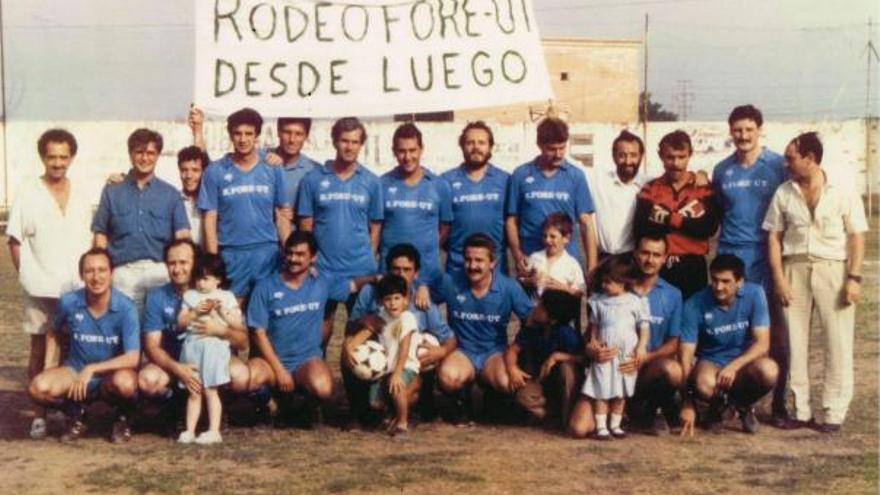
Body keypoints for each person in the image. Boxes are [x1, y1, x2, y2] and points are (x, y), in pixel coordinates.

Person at [763, 132, 867, 433]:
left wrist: (854, 278)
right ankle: (801, 409)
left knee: (837, 342)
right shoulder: (784, 192)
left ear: (810, 159)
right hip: (794, 267)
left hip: (833, 268)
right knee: (795, 342)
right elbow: (773, 237)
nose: (786, 163)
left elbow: (857, 236)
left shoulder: (842, 190)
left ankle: (834, 411)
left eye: (791, 158)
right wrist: (779, 278)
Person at [8, 129, 93, 439]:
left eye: (63, 156)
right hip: (39, 287)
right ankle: (39, 415)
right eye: (52, 156)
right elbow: (14, 241)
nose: (58, 163)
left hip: (74, 287)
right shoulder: (28, 191)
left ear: (71, 157)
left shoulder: (81, 192)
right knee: (39, 348)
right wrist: (29, 278)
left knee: (72, 351)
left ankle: (71, 413)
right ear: (43, 157)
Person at [712, 104, 790, 426]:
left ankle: (779, 402)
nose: (743, 136)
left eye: (749, 130)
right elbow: (718, 212)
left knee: (775, 333)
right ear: (730, 132)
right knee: (731, 332)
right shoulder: (722, 170)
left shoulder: (776, 165)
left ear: (759, 130)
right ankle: (731, 401)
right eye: (737, 130)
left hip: (765, 257)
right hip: (731, 257)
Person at [246, 231, 372, 426]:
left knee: (323, 388)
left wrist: (376, 279)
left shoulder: (322, 281)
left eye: (300, 254)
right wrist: (279, 370)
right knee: (250, 379)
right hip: (273, 362)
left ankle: (300, 410)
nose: (293, 259)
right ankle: (270, 406)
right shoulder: (266, 286)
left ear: (313, 257)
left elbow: (352, 285)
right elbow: (258, 332)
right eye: (289, 253)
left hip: (305, 360)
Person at [27, 248, 140, 443]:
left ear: (111, 273)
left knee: (127, 384)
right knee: (38, 388)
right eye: (90, 271)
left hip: (110, 375)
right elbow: (53, 331)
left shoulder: (126, 307)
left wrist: (93, 368)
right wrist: (49, 366)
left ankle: (120, 418)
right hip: (75, 371)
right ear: (81, 275)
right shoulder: (69, 301)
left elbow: (132, 357)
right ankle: (76, 414)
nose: (96, 277)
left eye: (102, 270)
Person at [137, 239, 249, 434]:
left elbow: (243, 342)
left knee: (240, 375)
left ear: (195, 263)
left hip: (212, 354)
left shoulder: (217, 294)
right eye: (172, 263)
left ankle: (216, 412)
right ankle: (177, 407)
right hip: (176, 358)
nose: (177, 269)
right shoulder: (157, 296)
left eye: (183, 262)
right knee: (148, 379)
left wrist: (222, 331)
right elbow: (151, 346)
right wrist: (177, 368)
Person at [343, 243, 456, 426]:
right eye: (396, 269)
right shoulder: (370, 292)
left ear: (416, 273)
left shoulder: (422, 301)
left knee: (399, 391)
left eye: (407, 270)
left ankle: (418, 402)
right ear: (388, 271)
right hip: (381, 361)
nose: (401, 274)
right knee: (347, 347)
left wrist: (441, 352)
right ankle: (357, 408)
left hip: (410, 366)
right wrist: (364, 321)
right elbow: (350, 328)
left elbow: (450, 339)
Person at [297, 117, 383, 348]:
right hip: (324, 269)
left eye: (355, 142)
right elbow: (306, 225)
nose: (349, 147)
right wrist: (311, 262)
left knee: (359, 335)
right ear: (335, 142)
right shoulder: (313, 180)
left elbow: (375, 226)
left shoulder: (372, 182)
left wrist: (369, 254)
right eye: (344, 141)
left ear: (361, 144)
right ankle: (316, 378)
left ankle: (355, 384)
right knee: (321, 330)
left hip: (361, 270)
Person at [434, 233, 534, 424]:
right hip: (462, 352)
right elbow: (427, 304)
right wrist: (422, 289)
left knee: (507, 382)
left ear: (492, 263)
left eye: (479, 260)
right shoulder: (451, 283)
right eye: (468, 260)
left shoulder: (508, 287)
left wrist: (515, 352)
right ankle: (463, 401)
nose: (472, 266)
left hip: (493, 353)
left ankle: (492, 397)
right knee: (447, 378)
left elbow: (532, 322)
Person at [678, 255, 779, 436]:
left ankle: (743, 405)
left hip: (743, 363)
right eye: (715, 280)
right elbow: (686, 356)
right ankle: (718, 408)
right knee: (703, 383)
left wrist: (733, 366)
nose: (718, 287)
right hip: (712, 360)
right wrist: (687, 403)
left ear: (740, 281)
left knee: (769, 370)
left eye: (726, 281)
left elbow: (763, 343)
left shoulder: (755, 294)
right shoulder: (694, 303)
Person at [198, 107, 292, 302]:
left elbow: (282, 214)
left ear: (256, 135)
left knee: (268, 312)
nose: (243, 139)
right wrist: (214, 260)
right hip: (231, 253)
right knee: (231, 313)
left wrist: (290, 250)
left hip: (267, 252)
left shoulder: (273, 167)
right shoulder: (215, 171)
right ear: (230, 135)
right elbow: (210, 217)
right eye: (237, 133)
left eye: (248, 133)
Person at [92, 128, 191, 311]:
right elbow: (100, 235)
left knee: (159, 333)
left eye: (150, 153)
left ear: (158, 155)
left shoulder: (170, 194)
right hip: (122, 273)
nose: (145, 158)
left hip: (160, 272)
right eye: (139, 152)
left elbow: (182, 238)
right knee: (125, 333)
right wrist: (104, 272)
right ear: (130, 154)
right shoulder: (112, 191)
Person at [506, 117, 597, 279]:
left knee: (565, 304)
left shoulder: (576, 176)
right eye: (552, 149)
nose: (558, 154)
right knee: (530, 304)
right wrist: (517, 254)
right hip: (531, 263)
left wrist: (592, 266)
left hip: (566, 266)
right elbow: (511, 220)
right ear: (539, 145)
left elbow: (586, 222)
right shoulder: (521, 174)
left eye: (562, 148)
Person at [634, 130, 719, 299]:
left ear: (690, 155)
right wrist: (689, 223)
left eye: (682, 157)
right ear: (660, 156)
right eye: (670, 157)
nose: (676, 163)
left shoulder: (703, 188)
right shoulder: (650, 188)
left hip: (693, 265)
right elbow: (642, 227)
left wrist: (668, 218)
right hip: (660, 264)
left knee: (690, 319)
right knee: (660, 318)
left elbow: (708, 227)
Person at [174, 253, 242, 445]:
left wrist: (221, 311)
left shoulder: (226, 296)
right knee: (194, 391)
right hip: (192, 348)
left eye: (205, 278)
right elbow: (180, 322)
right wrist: (195, 312)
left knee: (211, 390)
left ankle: (214, 430)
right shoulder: (190, 296)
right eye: (198, 278)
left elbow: (237, 324)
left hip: (214, 349)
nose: (201, 283)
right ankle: (190, 430)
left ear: (218, 279)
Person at [580, 256, 650, 439]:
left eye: (608, 282)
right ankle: (601, 426)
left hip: (626, 354)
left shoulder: (635, 302)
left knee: (621, 391)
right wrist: (594, 342)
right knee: (602, 389)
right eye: (603, 281)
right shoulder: (599, 302)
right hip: (605, 354)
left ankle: (615, 424)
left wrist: (641, 347)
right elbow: (594, 328)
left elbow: (643, 327)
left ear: (623, 282)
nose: (604, 285)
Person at [345, 275, 421, 437]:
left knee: (396, 388)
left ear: (406, 299)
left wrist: (398, 373)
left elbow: (404, 349)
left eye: (397, 298)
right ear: (380, 301)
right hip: (385, 367)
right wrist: (350, 347)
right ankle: (389, 414)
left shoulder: (407, 319)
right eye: (388, 299)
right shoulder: (381, 316)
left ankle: (402, 423)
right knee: (375, 403)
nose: (393, 303)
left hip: (405, 365)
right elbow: (366, 332)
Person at [380, 123, 453, 288]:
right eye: (402, 151)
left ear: (421, 149)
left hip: (427, 272)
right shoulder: (382, 184)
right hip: (391, 270)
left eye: (412, 150)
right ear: (394, 152)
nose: (407, 157)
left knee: (425, 313)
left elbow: (446, 225)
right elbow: (376, 226)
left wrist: (429, 247)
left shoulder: (439, 185)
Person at [504, 289, 583, 429]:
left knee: (567, 370)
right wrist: (512, 368)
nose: (536, 307)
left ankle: (567, 417)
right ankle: (549, 414)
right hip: (539, 377)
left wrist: (557, 356)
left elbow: (583, 358)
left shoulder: (566, 333)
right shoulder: (532, 328)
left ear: (553, 318)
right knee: (523, 397)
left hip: (560, 379)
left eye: (541, 306)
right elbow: (513, 351)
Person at [441, 121, 510, 279]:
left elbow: (512, 223)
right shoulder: (446, 180)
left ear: (490, 147)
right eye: (470, 142)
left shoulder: (505, 180)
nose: (476, 147)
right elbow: (440, 226)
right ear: (462, 146)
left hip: (495, 266)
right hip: (457, 266)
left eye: (481, 142)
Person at [587, 130, 645, 258]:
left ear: (641, 156)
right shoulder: (598, 180)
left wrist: (699, 175)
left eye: (633, 155)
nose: (628, 161)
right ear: (614, 156)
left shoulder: (649, 184)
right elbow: (572, 164)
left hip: (633, 260)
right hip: (603, 258)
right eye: (622, 155)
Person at [522, 212, 586, 298]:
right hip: (536, 308)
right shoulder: (535, 257)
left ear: (566, 238)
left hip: (560, 308)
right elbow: (520, 280)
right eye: (545, 236)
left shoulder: (572, 264)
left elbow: (580, 293)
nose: (547, 240)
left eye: (553, 236)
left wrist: (564, 288)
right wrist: (530, 281)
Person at [177, 146, 211, 246]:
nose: (189, 176)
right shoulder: (174, 201)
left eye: (195, 170)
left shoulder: (211, 201)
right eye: (184, 170)